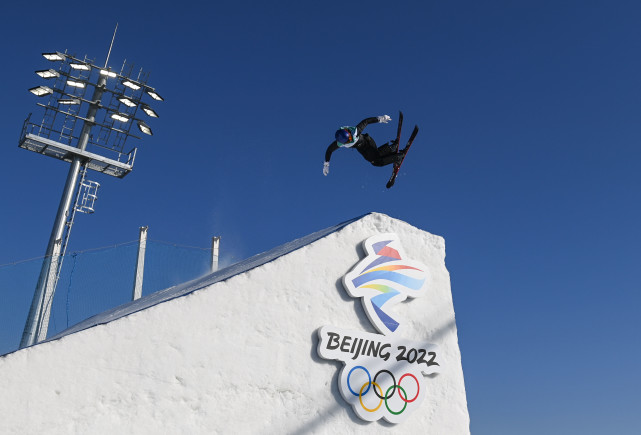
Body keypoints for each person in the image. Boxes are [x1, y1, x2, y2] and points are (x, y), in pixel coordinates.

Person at [322, 115, 406, 176]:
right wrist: (326, 165)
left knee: (376, 161)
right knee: (375, 156)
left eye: (350, 138)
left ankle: (398, 157)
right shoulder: (340, 142)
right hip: (362, 149)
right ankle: (391, 148)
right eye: (348, 141)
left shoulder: (355, 131)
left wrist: (380, 119)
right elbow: (329, 150)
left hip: (368, 143)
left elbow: (366, 121)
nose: (350, 140)